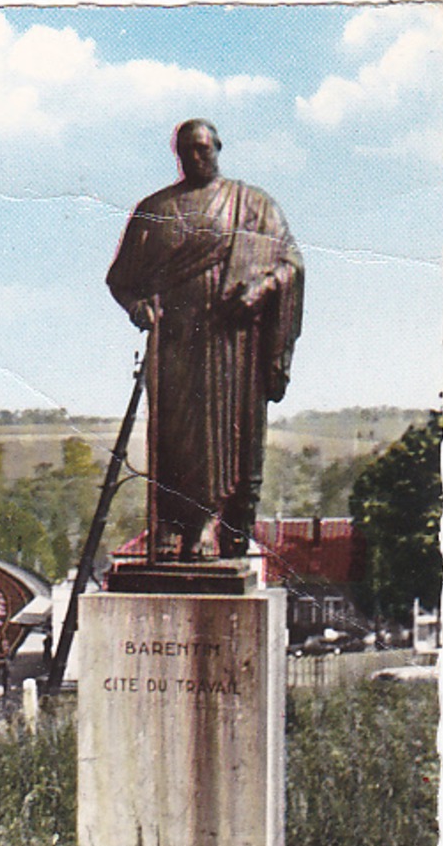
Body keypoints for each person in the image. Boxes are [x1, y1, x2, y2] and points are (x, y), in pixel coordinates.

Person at [107, 119, 304, 559]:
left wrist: (263, 288)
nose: (197, 157)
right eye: (187, 150)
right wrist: (138, 306)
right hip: (175, 345)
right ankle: (172, 526)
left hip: (231, 347)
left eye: (204, 149)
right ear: (177, 155)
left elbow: (291, 263)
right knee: (174, 438)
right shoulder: (154, 210)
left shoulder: (252, 205)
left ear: (218, 147)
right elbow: (120, 280)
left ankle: (211, 526)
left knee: (225, 438)